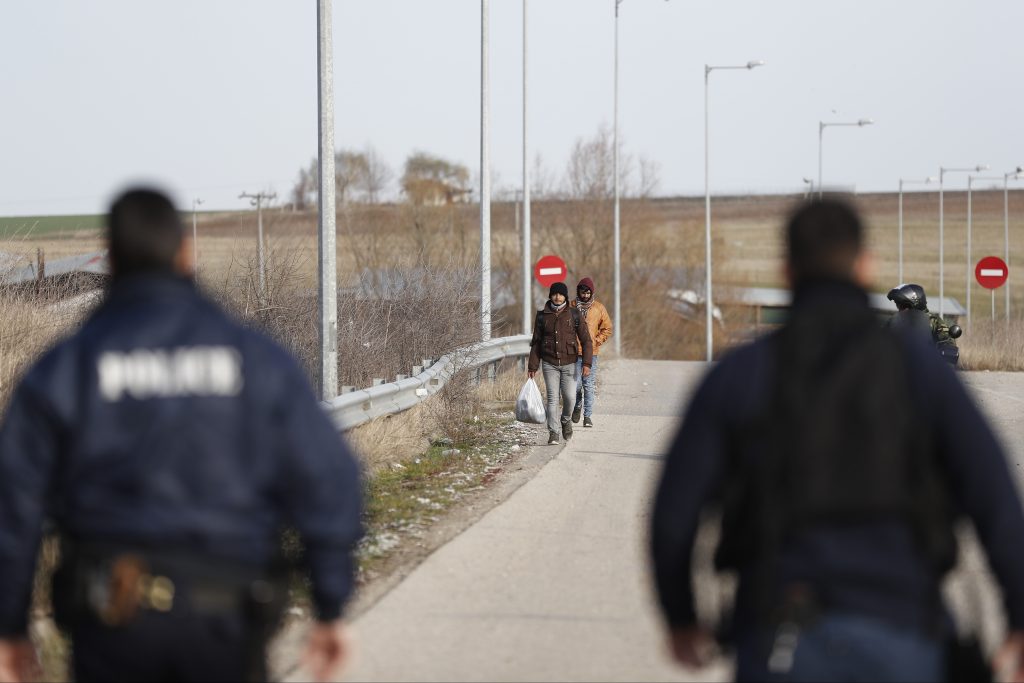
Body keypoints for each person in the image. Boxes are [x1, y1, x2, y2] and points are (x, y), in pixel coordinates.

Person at [650, 198, 1024, 682]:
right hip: (903, 630)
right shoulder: (919, 370)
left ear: (786, 270)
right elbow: (994, 496)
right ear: (865, 266)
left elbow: (674, 515)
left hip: (777, 634)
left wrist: (680, 618)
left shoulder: (740, 374)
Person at [0, 188, 363, 683]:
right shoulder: (255, 359)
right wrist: (330, 602)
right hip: (227, 623)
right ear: (186, 254)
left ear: (112, 257)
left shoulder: (68, 367)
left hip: (112, 621)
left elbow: (12, 505)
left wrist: (10, 628)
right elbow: (329, 477)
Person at [528, 281, 593, 445]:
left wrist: (586, 363)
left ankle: (565, 420)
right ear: (550, 296)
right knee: (552, 399)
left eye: (560, 294)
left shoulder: (574, 314)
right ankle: (553, 433)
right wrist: (532, 366)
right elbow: (536, 342)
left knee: (570, 398)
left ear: (565, 296)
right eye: (554, 294)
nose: (557, 297)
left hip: (570, 363)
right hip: (549, 363)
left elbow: (586, 341)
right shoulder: (542, 316)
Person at [570, 277, 613, 428]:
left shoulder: (599, 308)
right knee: (575, 386)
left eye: (588, 293)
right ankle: (577, 405)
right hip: (573, 352)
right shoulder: (571, 306)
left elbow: (607, 328)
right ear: (579, 292)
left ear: (592, 293)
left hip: (591, 353)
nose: (586, 295)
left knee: (588, 385)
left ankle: (587, 416)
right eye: (583, 292)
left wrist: (597, 340)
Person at [887, 282, 962, 365]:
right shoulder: (894, 322)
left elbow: (946, 339)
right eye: (898, 305)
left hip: (926, 367)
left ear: (915, 305)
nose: (900, 309)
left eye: (904, 306)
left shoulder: (933, 321)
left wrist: (948, 347)